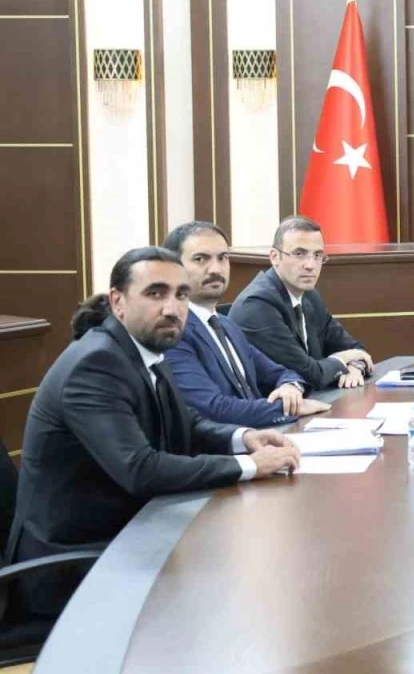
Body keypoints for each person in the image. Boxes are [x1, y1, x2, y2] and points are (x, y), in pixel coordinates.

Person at [7, 247, 301, 618]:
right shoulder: (95, 364)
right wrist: (251, 466)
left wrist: (241, 438)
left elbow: (184, 423)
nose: (172, 308)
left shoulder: (146, 350)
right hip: (74, 566)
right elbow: (141, 469)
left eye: (181, 295)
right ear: (118, 301)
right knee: (239, 590)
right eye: (155, 293)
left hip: (129, 535)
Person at [163, 221, 330, 428]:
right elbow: (214, 409)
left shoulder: (225, 325)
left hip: (265, 437)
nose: (215, 269)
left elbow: (281, 373)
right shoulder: (173, 332)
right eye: (200, 259)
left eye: (222, 258)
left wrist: (290, 388)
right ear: (173, 268)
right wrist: (289, 408)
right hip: (228, 445)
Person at [230, 216, 372, 390]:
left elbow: (354, 347)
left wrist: (355, 366)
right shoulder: (257, 305)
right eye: (299, 254)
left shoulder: (310, 297)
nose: (310, 265)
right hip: (273, 403)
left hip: (311, 400)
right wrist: (345, 359)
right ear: (275, 257)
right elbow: (309, 375)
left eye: (317, 255)